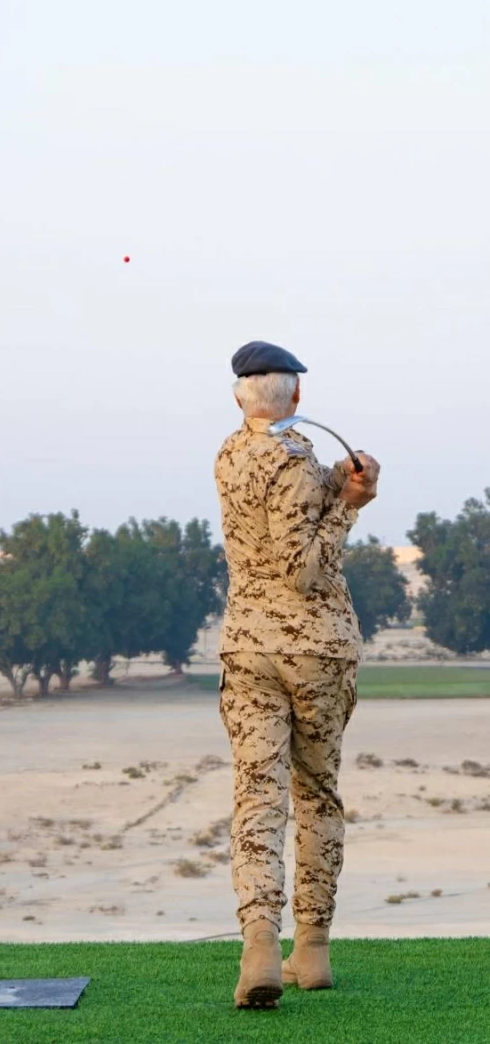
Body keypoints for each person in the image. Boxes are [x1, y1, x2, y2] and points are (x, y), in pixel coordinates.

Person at [214, 340, 379, 1010]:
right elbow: (306, 569)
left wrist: (335, 486)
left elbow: (272, 507)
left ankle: (259, 943)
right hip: (317, 650)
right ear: (298, 397)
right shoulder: (301, 463)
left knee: (258, 797)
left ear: (239, 397)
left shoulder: (227, 454)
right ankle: (310, 947)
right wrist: (350, 504)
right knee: (316, 797)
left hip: (246, 648)